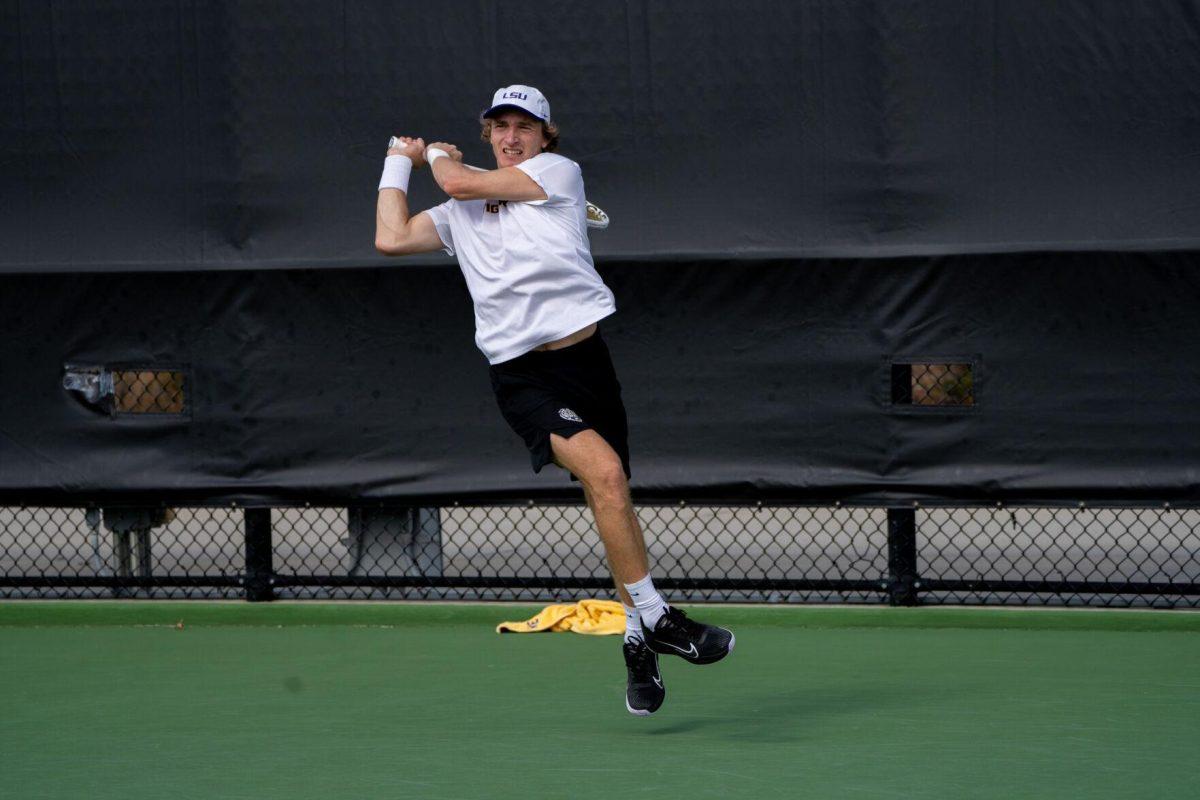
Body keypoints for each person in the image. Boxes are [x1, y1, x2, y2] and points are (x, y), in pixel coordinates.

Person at [374, 84, 734, 715]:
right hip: (523, 377)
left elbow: (457, 182)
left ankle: (636, 642)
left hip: (588, 365)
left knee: (611, 494)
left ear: (545, 137)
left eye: (525, 127)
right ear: (488, 134)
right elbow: (392, 238)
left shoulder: (558, 174)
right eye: (501, 127)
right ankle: (660, 618)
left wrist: (434, 155)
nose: (512, 137)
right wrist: (398, 162)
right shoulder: (459, 210)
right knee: (606, 474)